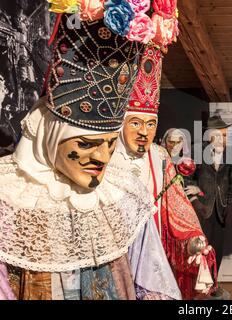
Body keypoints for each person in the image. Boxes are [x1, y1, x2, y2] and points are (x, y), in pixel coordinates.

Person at [0, 14, 152, 300]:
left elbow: (148, 275)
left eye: (109, 144)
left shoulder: (121, 197)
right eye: (86, 143)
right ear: (50, 136)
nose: (102, 157)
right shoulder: (8, 196)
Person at [109, 47, 215, 300]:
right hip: (115, 247)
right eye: (135, 123)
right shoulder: (106, 155)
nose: (144, 132)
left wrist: (191, 238)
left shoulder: (159, 155)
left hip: (154, 246)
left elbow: (175, 203)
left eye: (150, 124)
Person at [185, 115, 232, 300]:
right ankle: (198, 290)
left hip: (220, 211)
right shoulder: (197, 152)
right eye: (221, 135)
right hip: (202, 211)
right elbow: (186, 179)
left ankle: (213, 288)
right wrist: (196, 203)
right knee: (200, 252)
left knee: (217, 251)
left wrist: (231, 203)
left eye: (226, 134)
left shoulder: (230, 154)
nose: (225, 138)